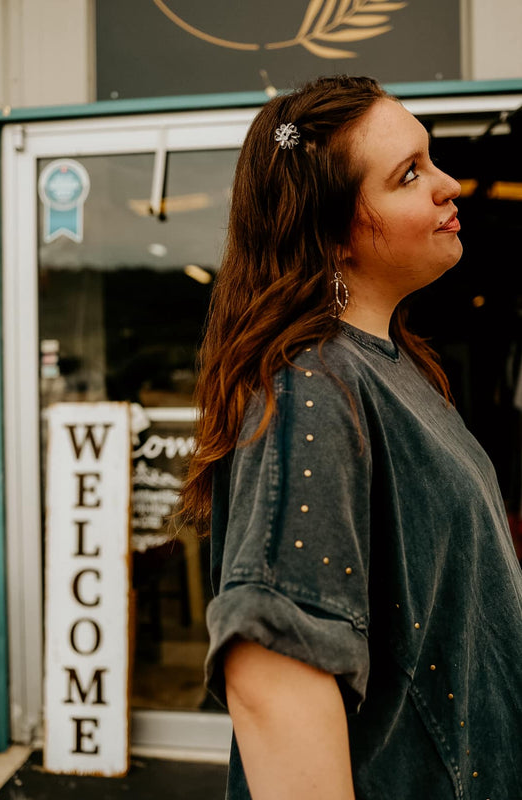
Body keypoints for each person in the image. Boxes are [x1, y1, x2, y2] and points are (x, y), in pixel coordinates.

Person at [180, 76, 522, 799]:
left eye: (428, 160)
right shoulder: (313, 386)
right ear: (333, 233)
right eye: (408, 175)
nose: (447, 183)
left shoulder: (389, 367)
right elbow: (273, 679)